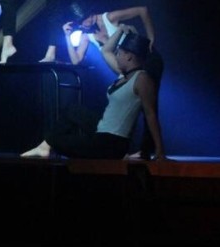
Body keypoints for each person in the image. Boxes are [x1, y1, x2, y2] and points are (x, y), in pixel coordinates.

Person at [20, 25, 164, 160]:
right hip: (102, 130)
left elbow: (150, 115)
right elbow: (106, 50)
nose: (116, 56)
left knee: (58, 140)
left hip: (112, 142)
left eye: (119, 53)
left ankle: (47, 145)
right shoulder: (124, 74)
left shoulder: (142, 78)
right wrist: (120, 30)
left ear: (129, 56)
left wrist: (159, 150)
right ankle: (45, 146)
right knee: (73, 110)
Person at [63, 0, 163, 160]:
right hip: (126, 73)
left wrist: (151, 38)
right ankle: (130, 150)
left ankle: (153, 151)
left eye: (83, 21)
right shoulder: (86, 35)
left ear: (90, 14)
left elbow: (142, 10)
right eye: (78, 23)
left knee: (149, 108)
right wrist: (67, 37)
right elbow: (76, 60)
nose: (82, 25)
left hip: (146, 61)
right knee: (126, 109)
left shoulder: (109, 18)